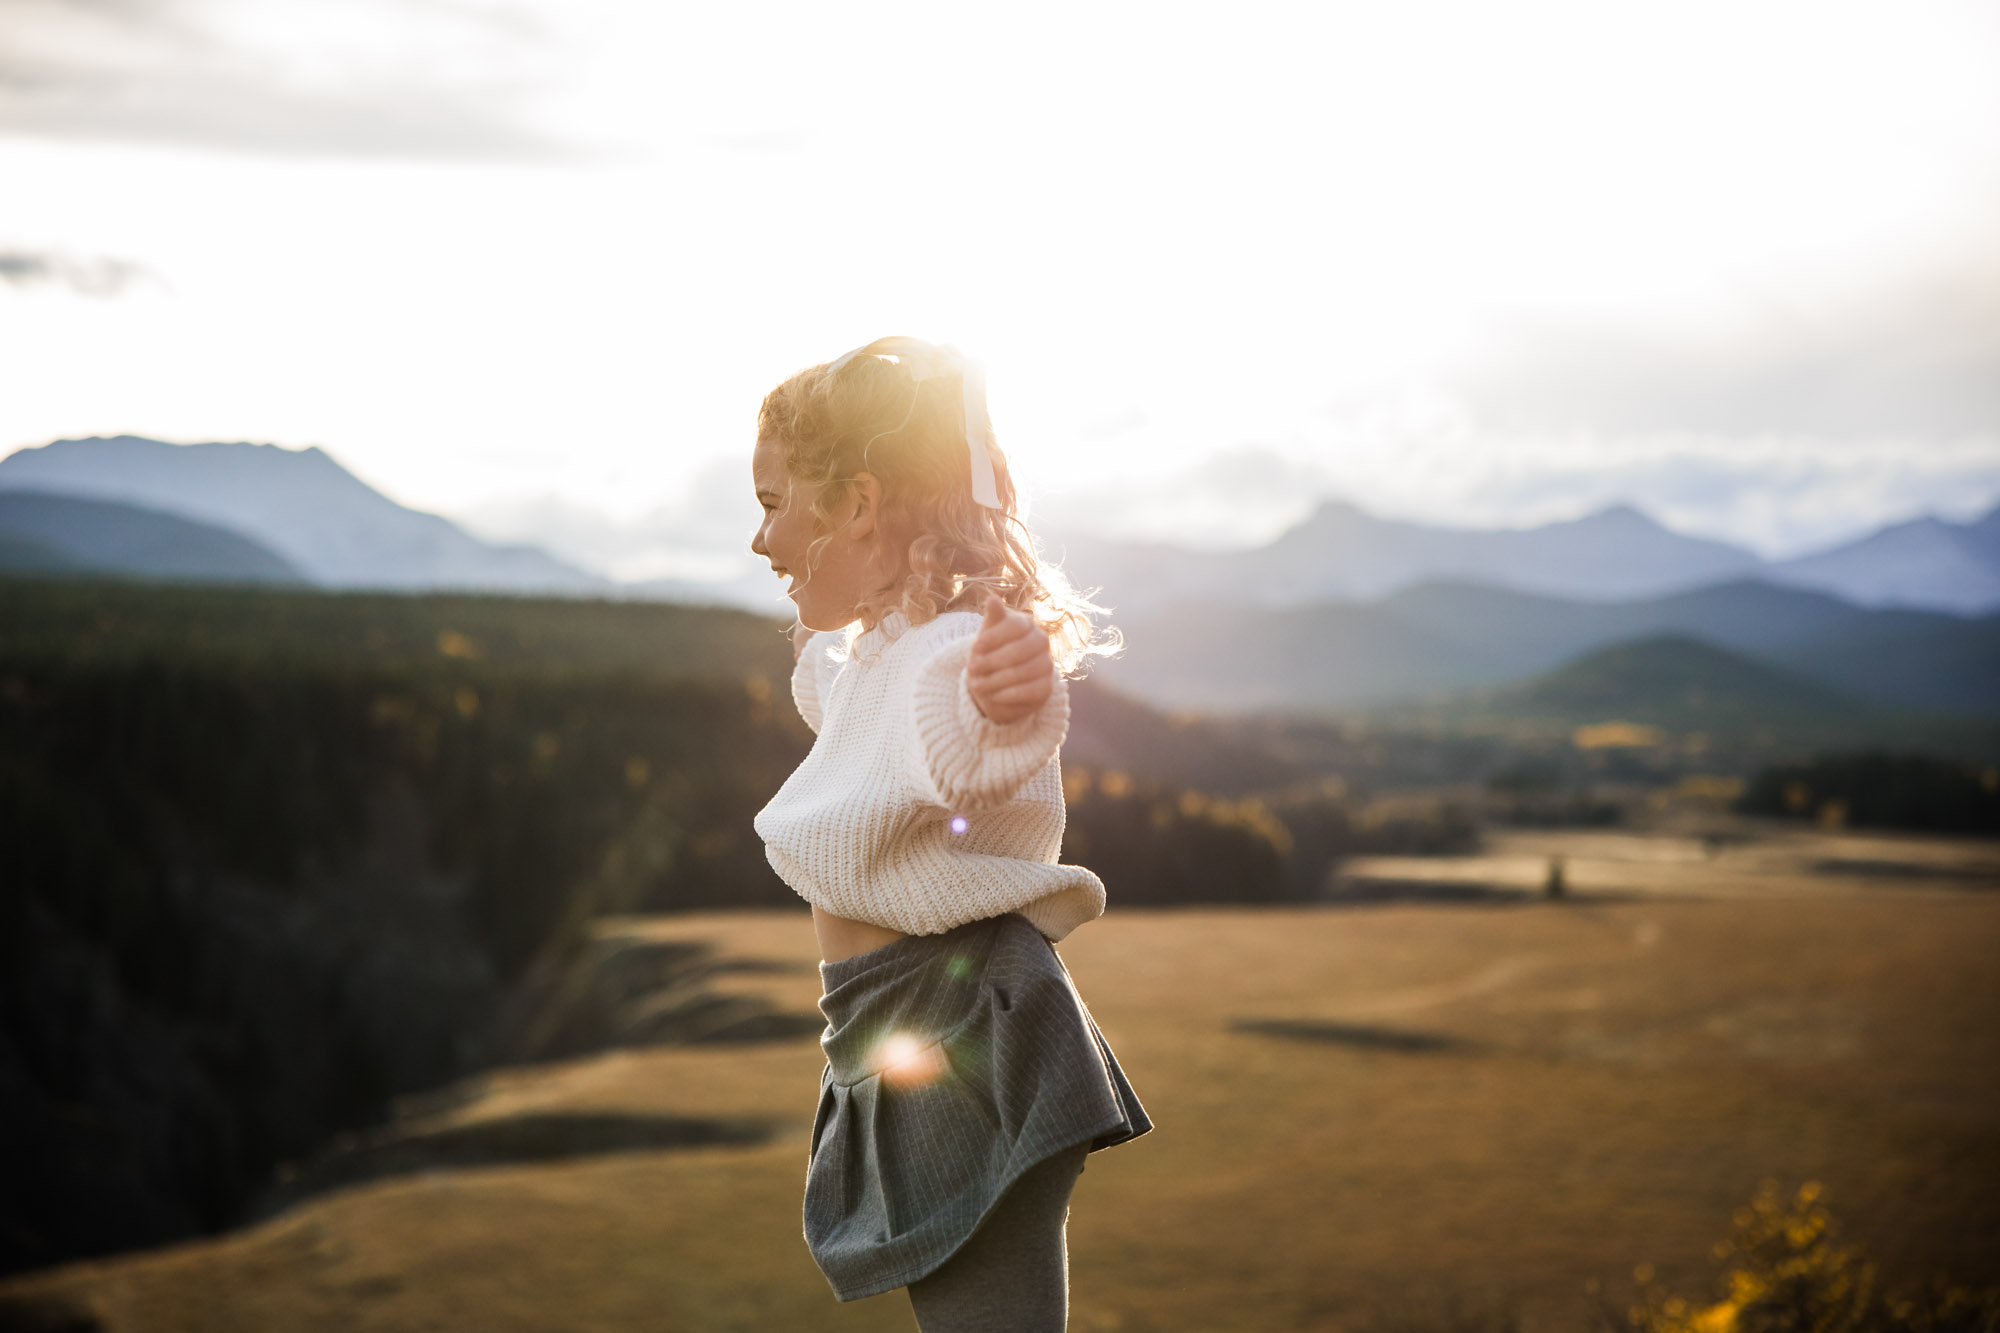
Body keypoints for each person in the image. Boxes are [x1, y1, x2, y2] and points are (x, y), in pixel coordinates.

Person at [749, 337, 1152, 1331]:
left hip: (962, 1034)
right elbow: (845, 701)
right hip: (907, 1027)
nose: (760, 541)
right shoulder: (887, 647)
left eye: (771, 503)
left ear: (857, 504)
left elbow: (958, 735)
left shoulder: (952, 654)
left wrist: (1000, 703)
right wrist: (821, 622)